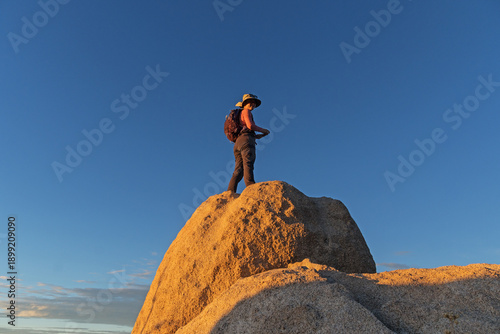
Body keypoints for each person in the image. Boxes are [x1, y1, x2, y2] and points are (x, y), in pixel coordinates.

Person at [227, 94, 270, 193]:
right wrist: (263, 130)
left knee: (238, 169)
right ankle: (251, 186)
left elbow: (245, 129)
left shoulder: (238, 115)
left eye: (254, 103)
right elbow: (250, 126)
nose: (253, 104)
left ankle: (230, 191)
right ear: (244, 104)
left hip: (238, 143)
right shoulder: (246, 111)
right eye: (250, 102)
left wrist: (258, 136)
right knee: (248, 163)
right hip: (246, 141)